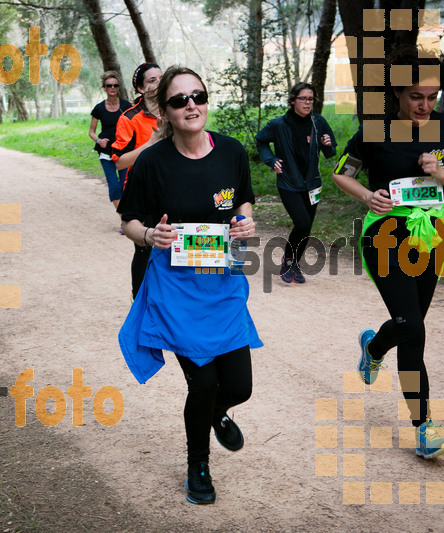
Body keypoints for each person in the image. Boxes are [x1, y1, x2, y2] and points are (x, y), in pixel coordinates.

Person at [118, 66, 263, 505]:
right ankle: (197, 465)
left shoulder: (232, 152)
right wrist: (149, 236)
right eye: (179, 100)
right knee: (201, 384)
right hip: (175, 290)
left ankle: (217, 413)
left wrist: (244, 220)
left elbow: (242, 198)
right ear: (163, 110)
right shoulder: (152, 162)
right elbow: (128, 221)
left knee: (238, 387)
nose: (191, 105)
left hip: (222, 284)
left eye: (197, 95)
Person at [332, 45, 444, 459]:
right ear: (398, 94)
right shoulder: (376, 129)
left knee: (408, 323)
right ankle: (425, 428)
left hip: (431, 237)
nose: (425, 105)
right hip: (384, 236)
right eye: (416, 96)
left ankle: (374, 348)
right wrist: (367, 196)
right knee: (414, 330)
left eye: (432, 97)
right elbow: (341, 173)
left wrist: (442, 171)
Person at [255, 82, 337, 283]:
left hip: (312, 184)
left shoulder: (318, 122)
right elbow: (261, 141)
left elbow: (330, 152)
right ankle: (288, 260)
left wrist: (327, 144)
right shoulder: (278, 124)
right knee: (302, 222)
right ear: (293, 101)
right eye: (303, 99)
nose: (307, 103)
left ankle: (296, 264)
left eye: (310, 99)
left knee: (306, 228)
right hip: (288, 182)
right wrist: (271, 160)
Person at [112, 62, 163, 298]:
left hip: (171, 188)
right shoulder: (130, 118)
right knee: (144, 247)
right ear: (141, 89)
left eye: (161, 78)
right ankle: (139, 299)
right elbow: (119, 161)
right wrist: (150, 144)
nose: (158, 84)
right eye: (151, 81)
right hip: (141, 192)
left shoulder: (176, 109)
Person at [89, 71, 131, 231]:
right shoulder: (99, 108)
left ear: (118, 87)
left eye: (115, 85)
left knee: (125, 186)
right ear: (104, 88)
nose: (112, 88)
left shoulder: (126, 106)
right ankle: (124, 220)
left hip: (124, 152)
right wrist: (99, 140)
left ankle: (129, 218)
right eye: (109, 85)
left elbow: (133, 127)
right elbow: (91, 131)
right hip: (106, 152)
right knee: (114, 187)